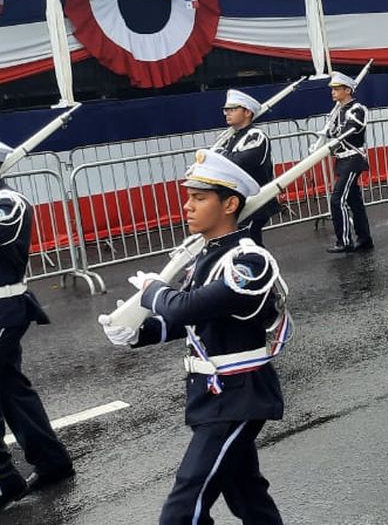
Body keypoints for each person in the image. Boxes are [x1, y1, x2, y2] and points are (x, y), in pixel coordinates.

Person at [99, 150, 291, 524]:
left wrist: (154, 291)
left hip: (239, 394)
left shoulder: (249, 261)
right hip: (212, 394)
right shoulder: (207, 257)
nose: (188, 206)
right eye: (189, 197)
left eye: (199, 198)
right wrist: (136, 333)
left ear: (230, 203)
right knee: (247, 494)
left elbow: (183, 307)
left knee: (184, 507)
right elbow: (192, 321)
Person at [0, 142, 75, 509]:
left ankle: (3, 479)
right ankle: (51, 461)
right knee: (10, 387)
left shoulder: (9, 203)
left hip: (3, 306)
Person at [210, 90, 279, 246]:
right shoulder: (231, 136)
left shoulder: (256, 136)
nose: (227, 113)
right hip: (239, 201)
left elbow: (239, 162)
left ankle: (262, 269)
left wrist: (219, 154)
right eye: (226, 110)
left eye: (233, 109)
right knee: (244, 243)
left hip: (255, 201)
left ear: (247, 112)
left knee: (247, 242)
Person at [322, 72, 372, 253]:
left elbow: (350, 130)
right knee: (354, 201)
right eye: (332, 89)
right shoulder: (337, 111)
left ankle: (344, 241)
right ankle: (365, 239)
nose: (333, 92)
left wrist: (333, 131)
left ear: (348, 90)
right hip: (342, 160)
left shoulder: (357, 109)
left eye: (337, 89)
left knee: (337, 199)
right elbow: (329, 132)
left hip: (353, 159)